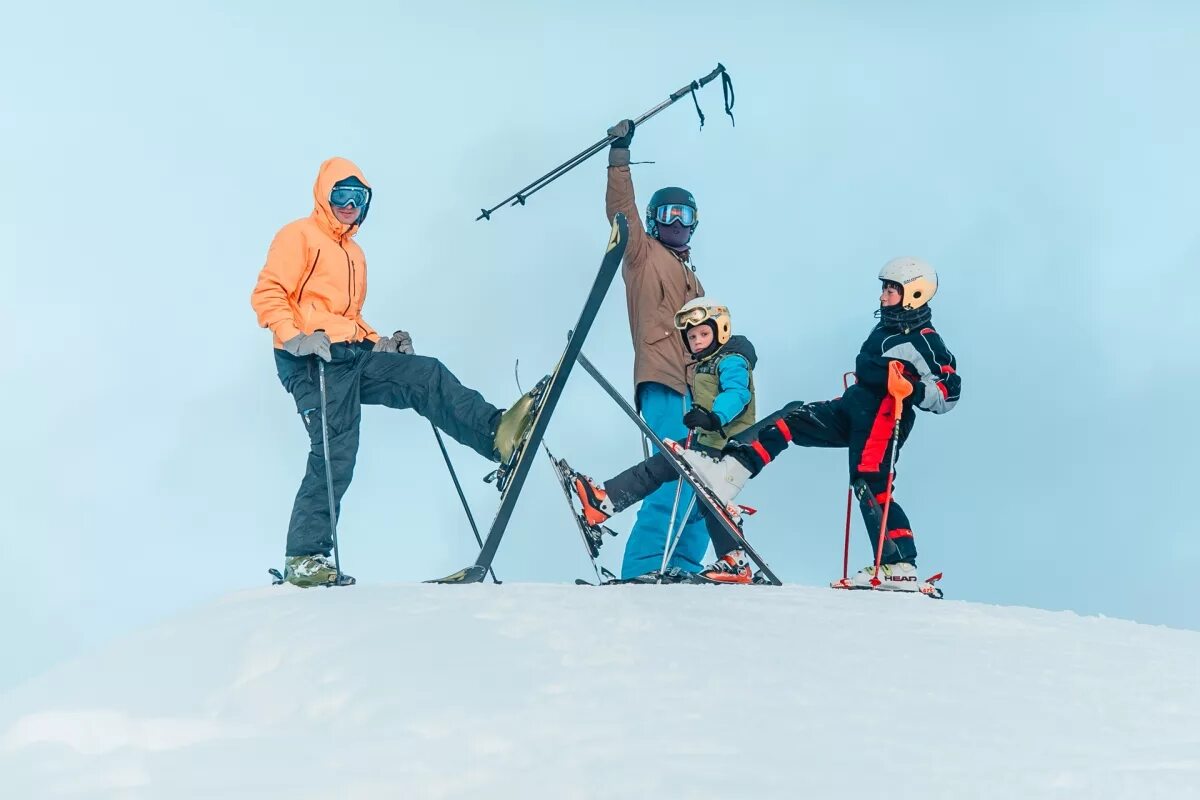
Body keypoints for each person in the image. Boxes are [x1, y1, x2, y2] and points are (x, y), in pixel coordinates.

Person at [251, 157, 536, 587]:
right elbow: (269, 291)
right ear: (323, 197)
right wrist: (295, 337)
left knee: (425, 375)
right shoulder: (300, 235)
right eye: (340, 195)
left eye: (357, 197)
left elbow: (346, 315)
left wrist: (379, 343)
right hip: (311, 360)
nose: (348, 205)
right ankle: (305, 558)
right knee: (335, 452)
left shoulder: (353, 253)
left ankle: (496, 434)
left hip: (348, 354)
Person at [676, 257, 962, 591]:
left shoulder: (924, 339)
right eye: (884, 289)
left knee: (870, 481)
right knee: (794, 419)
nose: (883, 296)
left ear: (913, 293)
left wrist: (911, 389)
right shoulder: (886, 328)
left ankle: (899, 563)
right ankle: (730, 474)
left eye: (891, 290)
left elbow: (948, 392)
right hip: (855, 405)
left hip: (884, 415)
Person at [569, 298, 761, 584]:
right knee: (674, 474)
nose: (697, 341)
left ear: (721, 331)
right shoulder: (706, 364)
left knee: (699, 489)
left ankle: (735, 558)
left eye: (704, 334)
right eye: (692, 336)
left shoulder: (732, 360)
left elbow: (737, 393)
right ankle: (604, 502)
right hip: (709, 445)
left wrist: (713, 417)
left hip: (727, 448)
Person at [605, 118, 709, 579]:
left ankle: (683, 564)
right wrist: (619, 158)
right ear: (653, 221)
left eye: (684, 216)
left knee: (707, 481)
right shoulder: (642, 255)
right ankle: (642, 568)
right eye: (667, 214)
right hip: (663, 378)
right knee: (673, 473)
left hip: (699, 392)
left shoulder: (694, 277)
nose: (676, 223)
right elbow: (620, 210)